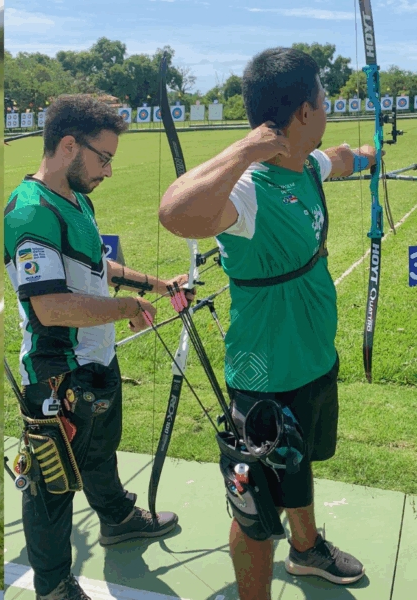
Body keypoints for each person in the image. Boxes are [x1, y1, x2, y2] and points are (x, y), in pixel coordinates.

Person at [159, 48, 369, 600]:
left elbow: (342, 157)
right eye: (324, 103)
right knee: (255, 508)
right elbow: (175, 212)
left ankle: (306, 551)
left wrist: (370, 158)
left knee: (295, 469)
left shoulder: (306, 166)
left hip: (313, 358)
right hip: (266, 377)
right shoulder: (248, 192)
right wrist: (245, 146)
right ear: (303, 113)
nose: (328, 111)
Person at [4, 95, 190, 600]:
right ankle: (53, 586)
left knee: (101, 450)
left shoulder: (77, 200)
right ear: (69, 146)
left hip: (95, 359)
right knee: (52, 484)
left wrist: (152, 284)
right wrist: (126, 309)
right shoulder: (30, 211)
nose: (108, 170)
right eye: (103, 157)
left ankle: (117, 519)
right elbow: (50, 308)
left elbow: (96, 268)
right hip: (57, 373)